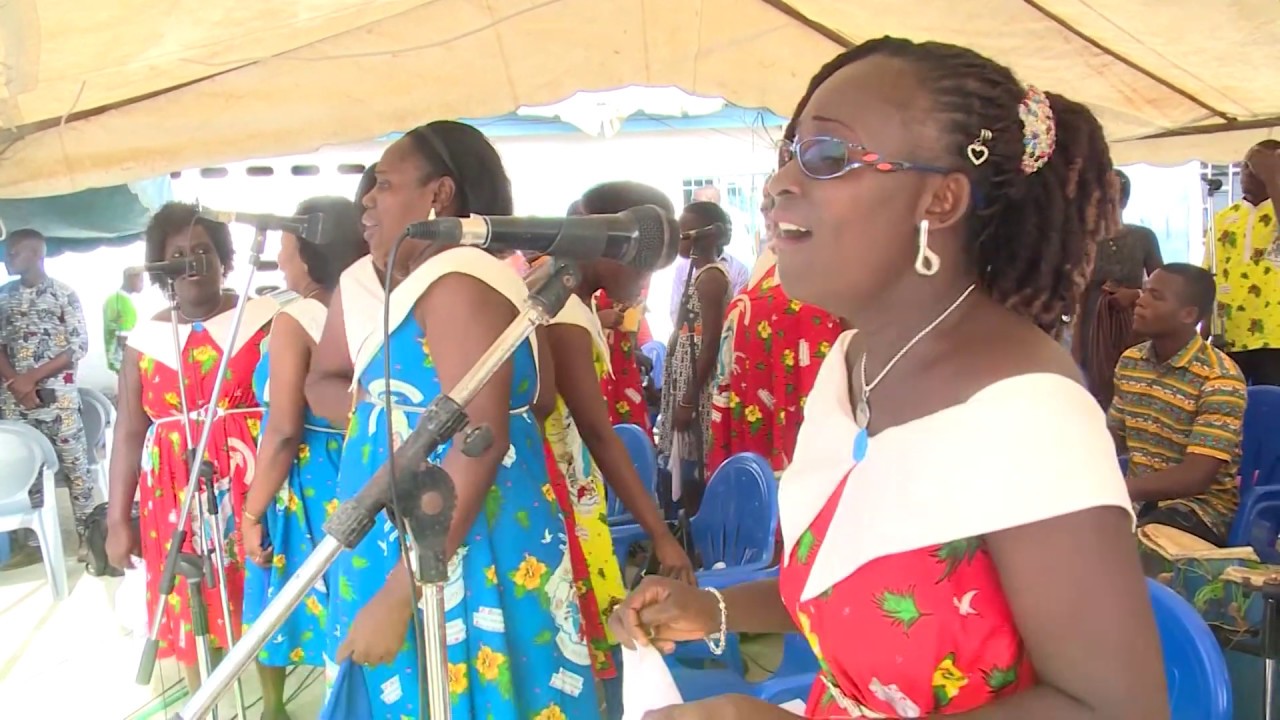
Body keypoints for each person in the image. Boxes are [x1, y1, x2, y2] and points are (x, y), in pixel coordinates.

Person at [610, 39, 1166, 719]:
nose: (779, 183)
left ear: (939, 201)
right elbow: (858, 579)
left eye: (827, 156)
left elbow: (1117, 708)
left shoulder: (1029, 411)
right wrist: (713, 608)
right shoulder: (852, 362)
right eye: (789, 153)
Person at [305, 121, 600, 718]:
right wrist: (385, 419)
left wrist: (401, 591)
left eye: (384, 184)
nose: (366, 200)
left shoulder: (458, 280)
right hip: (420, 533)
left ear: (439, 194)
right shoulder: (425, 283)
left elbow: (479, 439)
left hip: (452, 545)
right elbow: (327, 383)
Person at [539, 181, 697, 717]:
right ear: (610, 242)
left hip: (576, 497)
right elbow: (598, 434)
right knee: (587, 649)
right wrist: (661, 535)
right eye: (644, 262)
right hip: (565, 506)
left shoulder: (573, 303)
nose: (646, 280)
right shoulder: (562, 314)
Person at [105, 203, 274, 689]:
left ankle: (273, 704)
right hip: (173, 495)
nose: (191, 261)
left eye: (202, 250)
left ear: (223, 258)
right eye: (176, 254)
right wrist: (118, 521)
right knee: (189, 596)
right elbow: (129, 432)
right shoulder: (145, 340)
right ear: (160, 268)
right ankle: (204, 701)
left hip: (250, 484)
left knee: (259, 591)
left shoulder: (263, 320)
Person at [240, 196, 368, 719]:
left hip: (313, 480)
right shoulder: (373, 305)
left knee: (312, 600)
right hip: (361, 466)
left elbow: (284, 430)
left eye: (286, 246)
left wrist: (251, 512)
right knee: (357, 596)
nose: (278, 257)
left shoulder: (296, 320)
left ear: (311, 251)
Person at [708, 184, 842, 475]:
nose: (766, 212)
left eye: (774, 203)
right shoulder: (773, 270)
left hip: (800, 413)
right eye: (768, 204)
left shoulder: (828, 276)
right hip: (764, 406)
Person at [1111, 264, 1245, 549]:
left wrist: (1114, 488)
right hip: (1137, 501)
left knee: (1127, 550)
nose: (1140, 301)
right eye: (1145, 291)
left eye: (1156, 296)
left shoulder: (1219, 377)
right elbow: (1112, 438)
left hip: (1199, 511)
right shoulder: (1131, 362)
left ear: (1188, 315)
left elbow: (1195, 477)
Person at [0, 228, 93, 567]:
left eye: (14, 252)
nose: (7, 258)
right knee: (25, 472)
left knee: (76, 470)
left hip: (58, 401)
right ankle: (32, 542)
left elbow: (78, 346)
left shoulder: (63, 294)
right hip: (15, 401)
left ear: (36, 254)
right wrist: (17, 384)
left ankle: (89, 536)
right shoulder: (3, 296)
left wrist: (30, 379)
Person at [656, 201, 731, 503]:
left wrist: (688, 399)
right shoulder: (696, 274)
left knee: (693, 466)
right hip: (686, 383)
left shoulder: (711, 278)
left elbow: (710, 343)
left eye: (685, 230)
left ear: (706, 235)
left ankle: (695, 517)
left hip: (696, 389)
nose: (679, 236)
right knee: (679, 463)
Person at [1075, 168, 1163, 407]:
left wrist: (1135, 294)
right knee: (1096, 390)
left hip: (1134, 323)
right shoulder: (1082, 240)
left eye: (1110, 198)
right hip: (1092, 325)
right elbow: (1075, 291)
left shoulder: (1143, 237)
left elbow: (1163, 285)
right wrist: (1076, 343)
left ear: (1124, 200)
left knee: (1136, 387)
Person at [1203, 139, 1280, 385]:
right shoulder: (1223, 217)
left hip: (1274, 338)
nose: (1246, 171)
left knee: (1271, 404)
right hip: (1229, 335)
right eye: (1245, 164)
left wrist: (1272, 177)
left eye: (1255, 165)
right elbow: (1208, 276)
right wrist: (1203, 333)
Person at [667, 185, 750, 326]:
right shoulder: (688, 270)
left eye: (683, 234)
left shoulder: (711, 278)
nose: (678, 240)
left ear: (709, 235)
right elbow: (677, 315)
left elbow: (712, 335)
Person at [104, 267, 145, 374]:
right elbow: (124, 340)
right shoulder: (125, 304)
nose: (143, 285)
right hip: (124, 364)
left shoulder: (112, 299)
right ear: (131, 279)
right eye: (141, 280)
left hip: (114, 361)